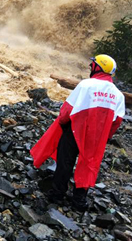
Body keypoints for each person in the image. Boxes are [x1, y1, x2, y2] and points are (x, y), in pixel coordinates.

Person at [31, 54, 125, 211]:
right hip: (97, 136)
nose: (90, 66)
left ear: (97, 67)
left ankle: (57, 195)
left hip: (75, 130)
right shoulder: (118, 95)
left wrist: (62, 123)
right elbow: (117, 121)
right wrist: (105, 137)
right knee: (89, 164)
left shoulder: (86, 85)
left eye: (92, 64)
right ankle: (79, 202)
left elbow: (67, 110)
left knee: (65, 162)